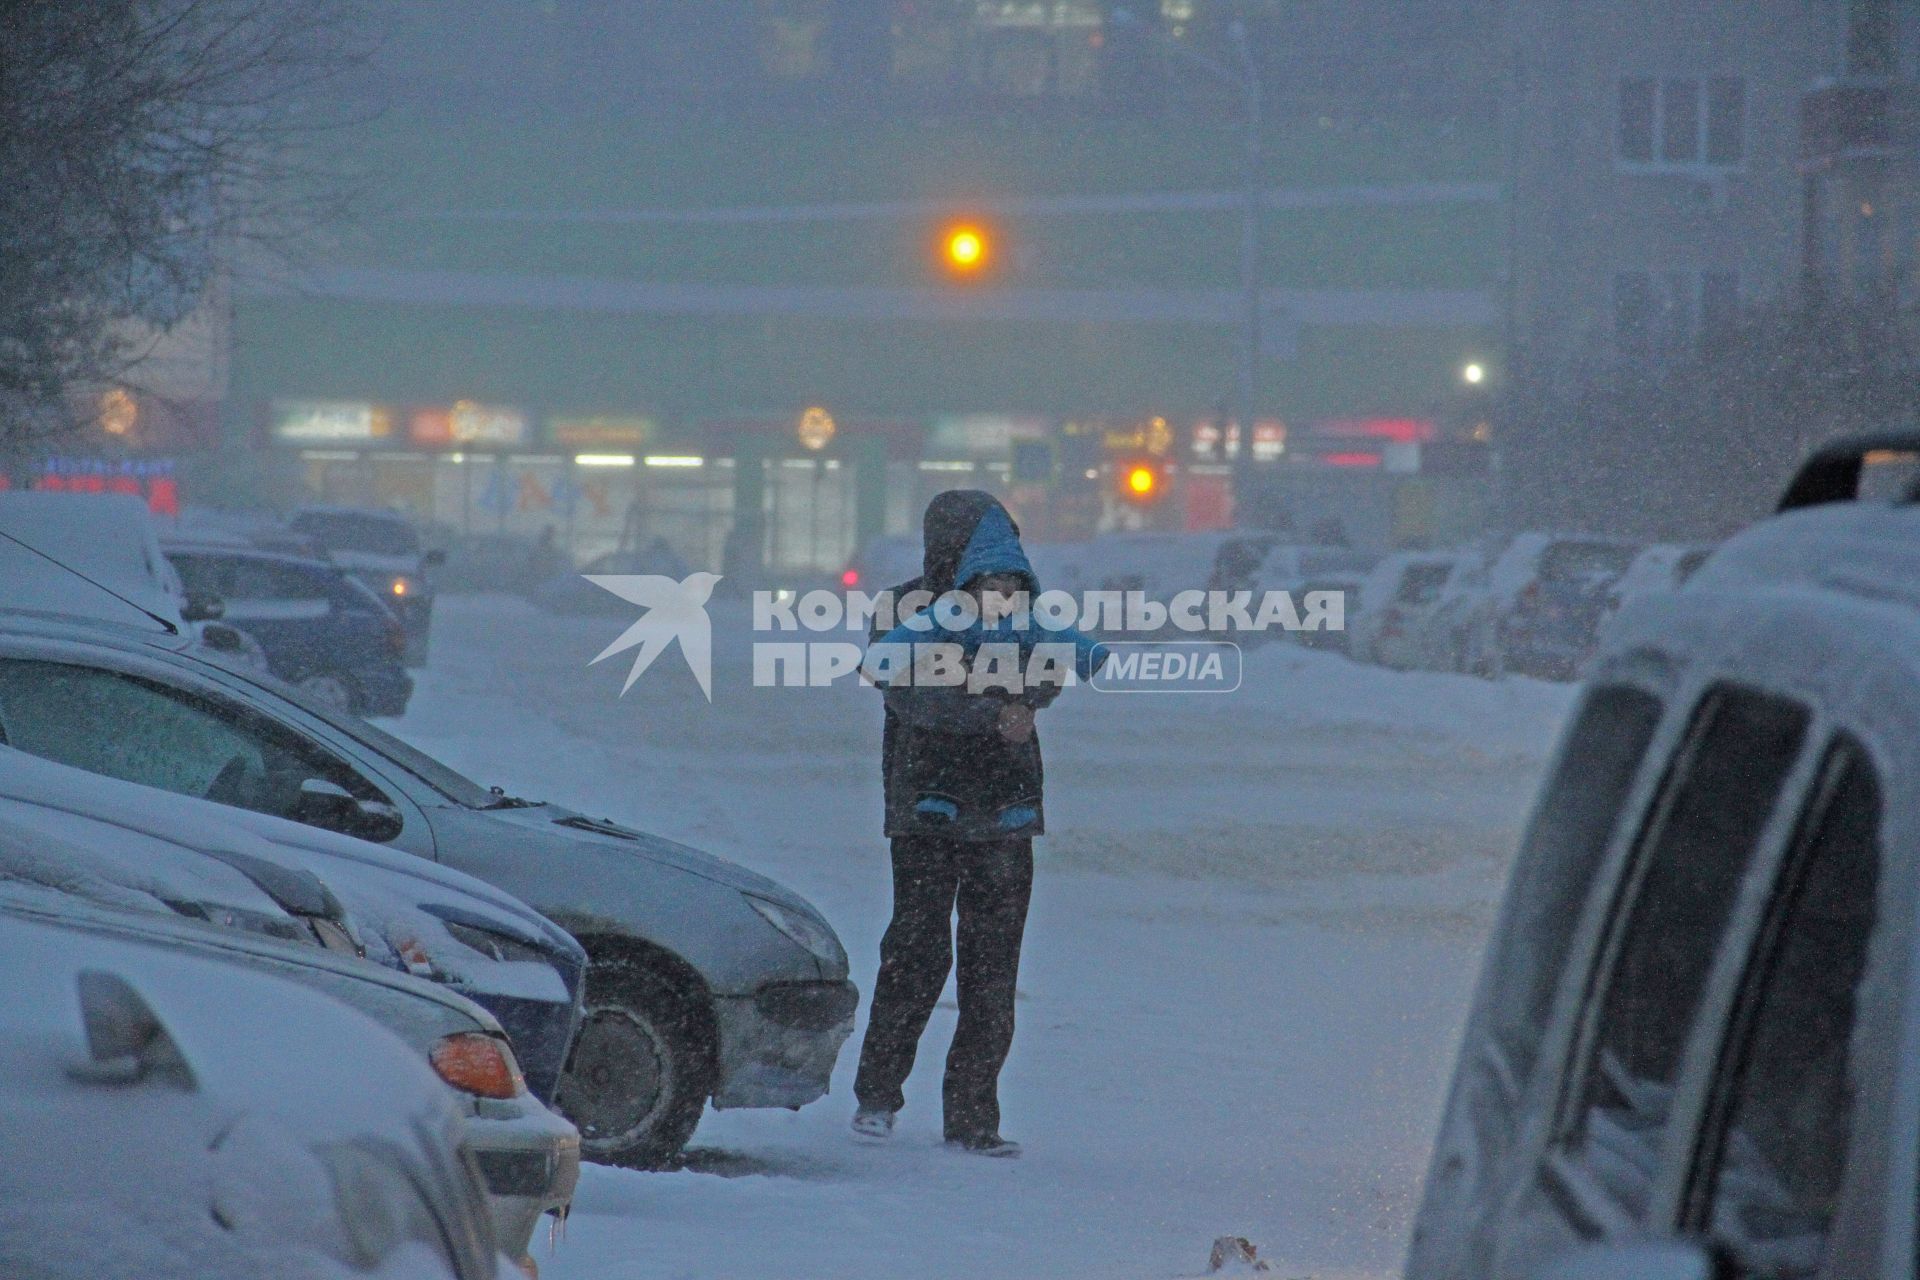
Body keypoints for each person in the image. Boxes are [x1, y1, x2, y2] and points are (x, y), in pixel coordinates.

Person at [849, 490, 1102, 1157]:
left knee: (992, 971)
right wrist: (997, 707)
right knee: (915, 954)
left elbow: (1046, 661)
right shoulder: (901, 609)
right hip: (924, 806)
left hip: (1007, 806)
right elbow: (910, 692)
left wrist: (1029, 695)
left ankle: (973, 1118)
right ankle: (877, 1094)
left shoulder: (1018, 601)